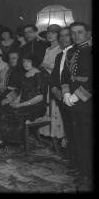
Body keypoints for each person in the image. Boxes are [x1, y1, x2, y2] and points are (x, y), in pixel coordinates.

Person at [0, 52, 47, 150]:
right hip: (23, 103)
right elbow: (20, 92)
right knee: (2, 108)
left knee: (13, 112)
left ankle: (7, 140)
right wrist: (13, 100)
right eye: (24, 61)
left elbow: (40, 97)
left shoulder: (40, 75)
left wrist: (21, 105)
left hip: (36, 106)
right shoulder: (25, 74)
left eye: (28, 62)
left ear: (34, 62)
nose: (25, 64)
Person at [61, 22, 92, 186]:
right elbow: (66, 74)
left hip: (86, 103)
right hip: (72, 100)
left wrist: (76, 96)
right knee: (76, 136)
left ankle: (88, 172)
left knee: (86, 138)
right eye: (73, 33)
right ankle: (81, 167)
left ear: (88, 33)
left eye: (79, 32)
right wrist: (66, 92)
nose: (75, 36)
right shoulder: (72, 51)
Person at [50, 27, 75, 167]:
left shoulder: (76, 53)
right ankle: (71, 157)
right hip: (59, 95)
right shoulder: (60, 55)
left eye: (66, 35)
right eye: (61, 36)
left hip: (73, 97)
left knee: (75, 129)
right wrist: (54, 88)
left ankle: (76, 158)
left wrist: (68, 93)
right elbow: (54, 75)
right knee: (68, 127)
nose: (63, 38)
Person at [38, 25, 63, 140]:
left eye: (53, 33)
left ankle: (56, 134)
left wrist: (45, 65)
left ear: (58, 35)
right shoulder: (47, 49)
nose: (49, 35)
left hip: (54, 82)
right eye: (48, 32)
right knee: (46, 106)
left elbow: (59, 68)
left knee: (54, 106)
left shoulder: (60, 49)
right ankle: (47, 133)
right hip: (45, 81)